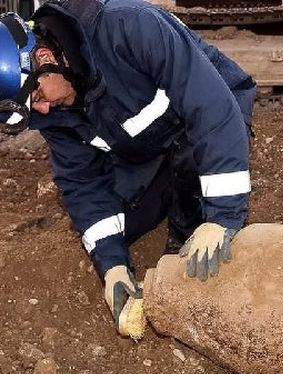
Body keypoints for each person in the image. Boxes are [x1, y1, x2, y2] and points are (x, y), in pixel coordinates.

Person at [0, 0, 255, 336]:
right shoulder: (56, 107)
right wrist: (113, 267)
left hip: (213, 110)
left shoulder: (130, 28)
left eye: (39, 98)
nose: (44, 111)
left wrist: (222, 218)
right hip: (143, 145)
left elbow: (210, 109)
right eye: (35, 110)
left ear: (44, 59)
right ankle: (169, 197)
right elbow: (82, 184)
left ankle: (184, 238)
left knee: (196, 172)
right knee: (123, 222)